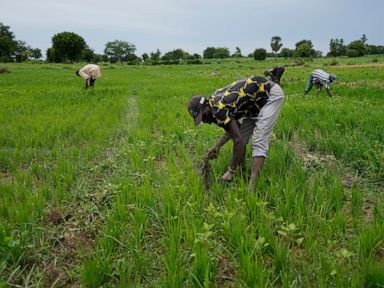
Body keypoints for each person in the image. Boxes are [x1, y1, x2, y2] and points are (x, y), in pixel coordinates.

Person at [188, 75, 284, 191]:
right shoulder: (213, 104)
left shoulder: (219, 109)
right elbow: (234, 129)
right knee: (242, 138)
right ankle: (242, 172)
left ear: (206, 107)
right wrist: (217, 147)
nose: (204, 121)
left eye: (203, 116)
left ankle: (252, 187)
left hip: (270, 95)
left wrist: (230, 170)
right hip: (253, 105)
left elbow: (237, 140)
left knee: (258, 139)